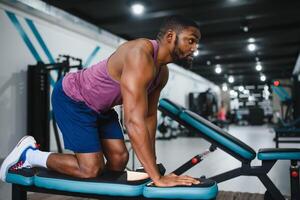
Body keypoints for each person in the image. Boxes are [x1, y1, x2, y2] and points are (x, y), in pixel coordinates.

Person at [0, 15, 201, 187]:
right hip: (73, 99)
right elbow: (133, 121)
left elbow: (148, 117)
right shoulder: (140, 54)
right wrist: (158, 179)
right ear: (170, 36)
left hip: (102, 109)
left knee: (119, 159)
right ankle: (30, 155)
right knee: (90, 169)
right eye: (191, 40)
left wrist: (153, 167)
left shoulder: (161, 72)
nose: (195, 47)